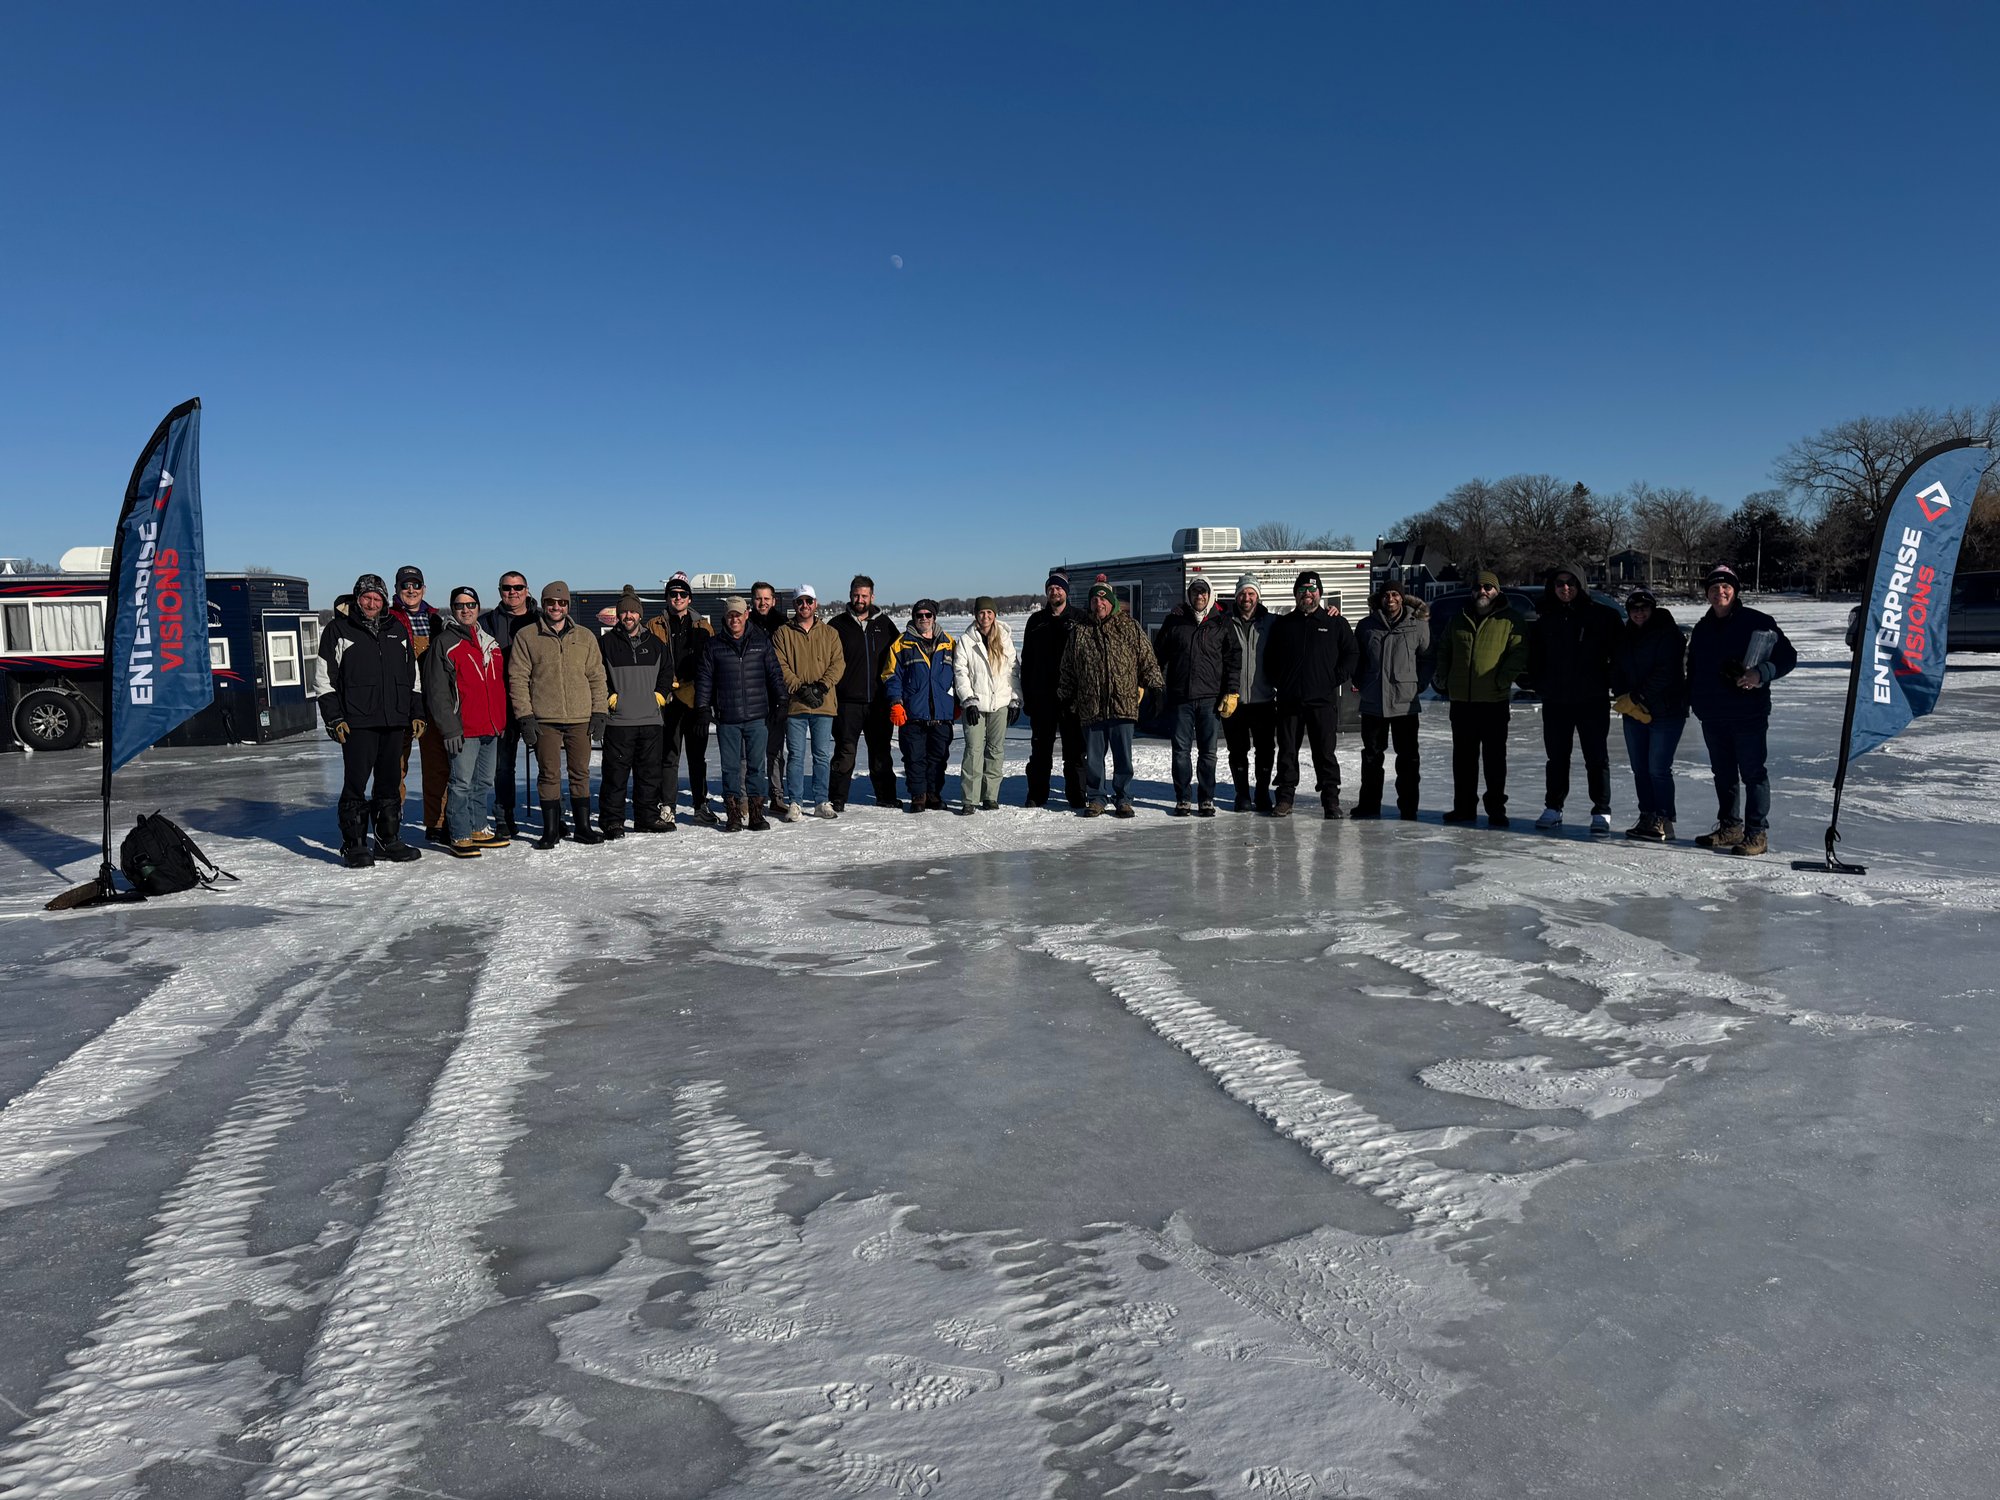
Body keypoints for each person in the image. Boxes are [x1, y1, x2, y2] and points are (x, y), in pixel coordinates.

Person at [1686, 563, 1797, 857]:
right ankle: (1730, 827)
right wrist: (1695, 702)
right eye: (1713, 588)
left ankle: (1756, 833)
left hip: (1748, 714)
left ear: (1735, 591)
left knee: (1752, 773)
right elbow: (1693, 670)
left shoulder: (1757, 622)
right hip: (1713, 715)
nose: (1719, 592)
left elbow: (1788, 656)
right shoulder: (1702, 628)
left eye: (1725, 587)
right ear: (1707, 593)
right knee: (1723, 774)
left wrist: (1761, 673)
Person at [317, 573, 424, 866]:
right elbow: (324, 679)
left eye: (377, 598)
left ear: (385, 600)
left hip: (393, 721)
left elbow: (412, 678)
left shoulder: (398, 630)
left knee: (389, 783)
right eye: (366, 597)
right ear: (357, 598)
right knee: (355, 784)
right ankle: (354, 845)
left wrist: (416, 712)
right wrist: (333, 717)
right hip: (356, 723)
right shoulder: (338, 630)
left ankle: (387, 840)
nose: (371, 602)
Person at [508, 580, 609, 849]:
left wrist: (599, 711)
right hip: (544, 719)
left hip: (580, 717)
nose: (556, 607)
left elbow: (597, 677)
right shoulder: (527, 636)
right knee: (549, 774)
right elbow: (517, 679)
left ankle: (583, 827)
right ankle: (551, 830)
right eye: (551, 602)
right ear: (543, 604)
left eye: (561, 603)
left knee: (580, 773)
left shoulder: (585, 637)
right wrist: (525, 716)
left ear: (567, 606)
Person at [1526, 564, 1621, 834]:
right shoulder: (1545, 619)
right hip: (1556, 701)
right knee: (1556, 757)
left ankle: (1601, 810)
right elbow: (1535, 659)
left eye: (1570, 583)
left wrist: (1610, 681)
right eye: (1559, 584)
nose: (1565, 588)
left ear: (1580, 585)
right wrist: (1540, 684)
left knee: (1596, 757)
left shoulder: (1603, 616)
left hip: (1592, 699)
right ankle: (1554, 807)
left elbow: (1618, 655)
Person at [1058, 579, 1163, 818]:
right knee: (1094, 759)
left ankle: (1123, 798)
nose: (1099, 603)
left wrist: (1156, 687)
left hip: (1122, 704)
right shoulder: (1080, 631)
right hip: (1091, 704)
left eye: (1103, 599)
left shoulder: (1129, 627)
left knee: (1122, 756)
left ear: (1112, 602)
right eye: (1095, 599)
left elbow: (1147, 660)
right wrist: (1064, 697)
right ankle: (1096, 798)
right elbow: (1068, 668)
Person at [1433, 572, 1530, 828]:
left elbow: (1518, 654)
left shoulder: (1510, 620)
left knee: (1494, 760)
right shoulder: (1459, 618)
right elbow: (1444, 649)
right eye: (1478, 587)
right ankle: (1464, 808)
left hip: (1493, 702)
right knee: (1463, 759)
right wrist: (1443, 676)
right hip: (1461, 701)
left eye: (1488, 587)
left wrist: (1503, 679)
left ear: (1497, 591)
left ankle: (1496, 809)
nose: (1483, 591)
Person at [422, 586, 511, 858]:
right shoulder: (445, 643)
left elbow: (497, 686)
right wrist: (449, 727)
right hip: (464, 728)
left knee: (483, 781)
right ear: (453, 608)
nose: (466, 609)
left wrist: (501, 719)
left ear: (478, 607)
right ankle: (460, 833)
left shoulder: (489, 642)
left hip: (491, 726)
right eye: (460, 605)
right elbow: (437, 692)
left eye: (471, 605)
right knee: (461, 782)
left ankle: (478, 827)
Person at [1265, 569, 1358, 819]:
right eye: (1303, 590)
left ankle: (1330, 801)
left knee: (1325, 753)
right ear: (1296, 594)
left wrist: (1334, 677)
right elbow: (1269, 659)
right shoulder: (1284, 625)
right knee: (1287, 752)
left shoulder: (1334, 622)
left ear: (1320, 594)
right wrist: (1279, 681)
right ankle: (1285, 798)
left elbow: (1352, 654)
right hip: (1289, 701)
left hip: (1322, 701)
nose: (1308, 595)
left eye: (1312, 590)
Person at [696, 594, 788, 831]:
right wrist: (703, 707)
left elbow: (774, 674)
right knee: (731, 768)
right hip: (728, 717)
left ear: (746, 614)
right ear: (725, 618)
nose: (734, 619)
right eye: (730, 615)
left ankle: (757, 813)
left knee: (757, 766)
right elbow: (705, 680)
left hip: (758, 716)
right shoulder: (714, 646)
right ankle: (734, 813)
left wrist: (781, 700)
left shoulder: (761, 642)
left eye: (738, 614)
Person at [1152, 577, 1237, 816]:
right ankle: (1183, 799)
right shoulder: (1174, 620)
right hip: (1181, 698)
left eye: (1203, 592)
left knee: (1208, 753)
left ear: (1210, 595)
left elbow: (1233, 659)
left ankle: (1207, 798)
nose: (1199, 596)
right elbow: (1157, 656)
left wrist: (1232, 690)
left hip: (1211, 699)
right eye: (1195, 592)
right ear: (1189, 595)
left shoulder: (1221, 623)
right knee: (1180, 752)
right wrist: (1152, 685)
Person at [1610, 587, 1688, 842]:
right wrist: (1622, 694)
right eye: (1634, 608)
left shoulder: (1667, 633)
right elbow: (1617, 668)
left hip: (1666, 710)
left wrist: (1637, 697)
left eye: (1644, 607)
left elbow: (1667, 672)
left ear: (1652, 609)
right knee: (1640, 767)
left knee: (1658, 768)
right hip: (1635, 712)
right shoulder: (1624, 636)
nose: (1639, 612)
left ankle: (1664, 819)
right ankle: (1648, 815)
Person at [1350, 582, 1431, 819]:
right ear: (1380, 599)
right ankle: (1369, 805)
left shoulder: (1417, 625)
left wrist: (1419, 683)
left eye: (1395, 594)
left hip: (1405, 704)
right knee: (1372, 757)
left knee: (1407, 758)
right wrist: (1362, 683)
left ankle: (1408, 807)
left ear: (1402, 598)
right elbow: (1358, 659)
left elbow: (1428, 657)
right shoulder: (1366, 626)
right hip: (1374, 702)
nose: (1390, 599)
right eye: (1386, 595)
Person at [598, 586, 674, 839]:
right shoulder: (606, 644)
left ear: (640, 614)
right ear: (618, 615)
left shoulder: (656, 644)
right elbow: (597, 676)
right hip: (619, 722)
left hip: (651, 720)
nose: (628, 616)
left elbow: (666, 672)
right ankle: (612, 821)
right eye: (623, 612)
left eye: (633, 612)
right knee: (615, 776)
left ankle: (647, 817)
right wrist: (610, 696)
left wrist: (660, 696)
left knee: (649, 774)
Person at [648, 571, 717, 826]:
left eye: (682, 594)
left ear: (690, 598)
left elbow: (711, 665)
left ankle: (701, 804)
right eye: (673, 594)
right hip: (667, 698)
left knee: (697, 756)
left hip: (694, 697)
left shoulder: (703, 626)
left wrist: (708, 700)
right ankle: (667, 806)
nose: (678, 598)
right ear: (667, 597)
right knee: (669, 755)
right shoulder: (654, 624)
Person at [389, 565, 450, 844]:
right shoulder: (388, 619)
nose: (411, 590)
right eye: (405, 586)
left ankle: (436, 822)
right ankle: (390, 823)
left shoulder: (436, 620)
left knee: (436, 764)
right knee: (394, 766)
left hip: (430, 702)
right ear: (397, 590)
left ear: (424, 589)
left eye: (416, 585)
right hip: (398, 702)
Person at [828, 574, 900, 811]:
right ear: (850, 595)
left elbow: (899, 657)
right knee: (845, 751)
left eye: (864, 595)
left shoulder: (886, 625)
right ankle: (837, 798)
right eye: (856, 595)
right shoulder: (837, 625)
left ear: (872, 596)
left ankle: (886, 795)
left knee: (880, 751)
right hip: (847, 702)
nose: (860, 599)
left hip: (879, 701)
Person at [774, 583, 846, 820]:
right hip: (796, 704)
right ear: (794, 605)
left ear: (815, 604)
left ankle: (820, 801)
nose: (804, 605)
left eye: (808, 601)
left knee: (822, 755)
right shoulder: (783, 633)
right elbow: (780, 664)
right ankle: (795, 801)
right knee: (795, 754)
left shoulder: (830, 633)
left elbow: (838, 664)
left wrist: (822, 686)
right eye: (800, 602)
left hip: (824, 704)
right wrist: (799, 687)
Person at [478, 570, 538, 840]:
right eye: (506, 588)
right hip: (502, 702)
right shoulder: (487, 622)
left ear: (526, 590)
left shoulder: (541, 619)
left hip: (537, 702)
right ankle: (504, 817)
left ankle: (554, 814)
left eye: (518, 587)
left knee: (549, 762)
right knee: (503, 766)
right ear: (500, 590)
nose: (512, 592)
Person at [882, 600, 957, 812]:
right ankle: (918, 795)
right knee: (915, 757)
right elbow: (891, 675)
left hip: (941, 713)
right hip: (912, 712)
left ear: (934, 618)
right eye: (919, 615)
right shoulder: (901, 644)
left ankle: (934, 794)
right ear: (914, 618)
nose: (923, 619)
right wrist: (896, 702)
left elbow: (960, 676)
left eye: (928, 615)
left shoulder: (950, 644)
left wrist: (958, 702)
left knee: (938, 757)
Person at [1021, 571, 1087, 809]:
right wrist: (1028, 696)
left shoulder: (1080, 618)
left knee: (1075, 751)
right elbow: (1026, 661)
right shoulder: (1036, 621)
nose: (1054, 592)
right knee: (1040, 751)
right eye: (1051, 588)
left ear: (1066, 592)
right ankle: (1037, 794)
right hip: (1042, 698)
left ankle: (1077, 794)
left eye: (1059, 588)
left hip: (1072, 699)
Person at [954, 597, 1019, 813]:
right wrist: (968, 699)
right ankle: (970, 799)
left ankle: (990, 796)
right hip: (975, 704)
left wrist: (1015, 699)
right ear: (975, 615)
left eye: (989, 613)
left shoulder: (1005, 639)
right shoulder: (966, 640)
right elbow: (960, 672)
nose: (985, 617)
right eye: (981, 613)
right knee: (974, 749)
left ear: (995, 615)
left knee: (995, 750)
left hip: (1000, 703)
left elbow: (1013, 671)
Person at [1222, 574, 1277, 812]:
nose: (1247, 598)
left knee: (1265, 750)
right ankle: (1242, 794)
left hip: (1264, 699)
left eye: (1251, 593)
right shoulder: (1224, 622)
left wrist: (1332, 613)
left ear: (1258, 596)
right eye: (1243, 593)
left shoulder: (1273, 622)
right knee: (1237, 750)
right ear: (1236, 596)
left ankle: (1263, 793)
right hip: (1234, 701)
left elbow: (1301, 623)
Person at [749, 582, 790, 815]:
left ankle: (777, 794)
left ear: (773, 600)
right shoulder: (745, 624)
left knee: (775, 749)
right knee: (751, 751)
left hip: (776, 694)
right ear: (752, 601)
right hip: (752, 694)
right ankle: (751, 796)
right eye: (758, 598)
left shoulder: (783, 625)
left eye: (766, 598)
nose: (762, 603)